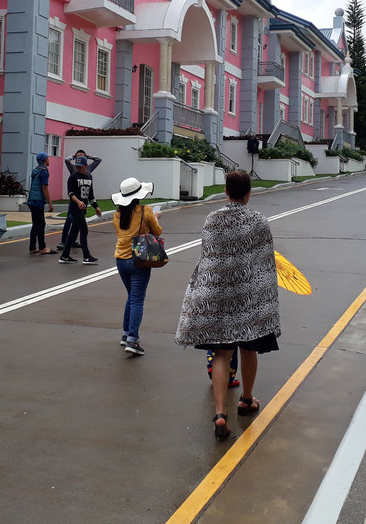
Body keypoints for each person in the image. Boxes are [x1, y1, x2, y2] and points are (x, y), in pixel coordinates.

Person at [175, 170, 281, 441]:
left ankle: (221, 413)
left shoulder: (212, 219)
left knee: (221, 353)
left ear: (226, 192)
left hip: (218, 296)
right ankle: (246, 399)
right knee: (248, 349)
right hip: (248, 298)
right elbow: (265, 263)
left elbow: (207, 258)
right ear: (249, 193)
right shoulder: (258, 220)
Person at [112, 177, 161, 356]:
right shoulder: (145, 211)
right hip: (139, 258)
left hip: (120, 260)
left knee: (131, 297)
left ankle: (126, 335)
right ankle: (132, 339)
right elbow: (158, 231)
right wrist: (156, 217)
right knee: (137, 299)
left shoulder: (117, 214)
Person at [58, 156, 102, 264]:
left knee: (73, 233)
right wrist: (78, 202)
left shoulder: (89, 177)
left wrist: (96, 207)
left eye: (81, 167)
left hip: (83, 208)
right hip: (75, 208)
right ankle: (86, 256)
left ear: (86, 166)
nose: (78, 169)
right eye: (77, 167)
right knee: (84, 230)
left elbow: (90, 195)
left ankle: (65, 255)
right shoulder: (73, 177)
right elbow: (70, 193)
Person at [26, 153, 54, 254]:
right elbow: (44, 188)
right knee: (41, 224)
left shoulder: (35, 170)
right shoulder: (44, 171)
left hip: (31, 200)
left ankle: (32, 247)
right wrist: (50, 203)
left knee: (35, 224)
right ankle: (42, 247)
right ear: (45, 160)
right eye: (48, 158)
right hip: (38, 201)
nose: (49, 160)